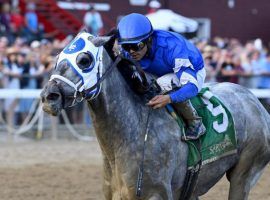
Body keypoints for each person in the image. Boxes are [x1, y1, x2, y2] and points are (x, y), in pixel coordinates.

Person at [117, 13, 206, 140]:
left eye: (136, 46)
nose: (131, 51)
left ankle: (195, 123)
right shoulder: (130, 48)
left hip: (194, 70)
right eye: (126, 46)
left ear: (149, 40)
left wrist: (169, 98)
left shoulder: (173, 48)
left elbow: (192, 87)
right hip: (159, 69)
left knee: (163, 83)